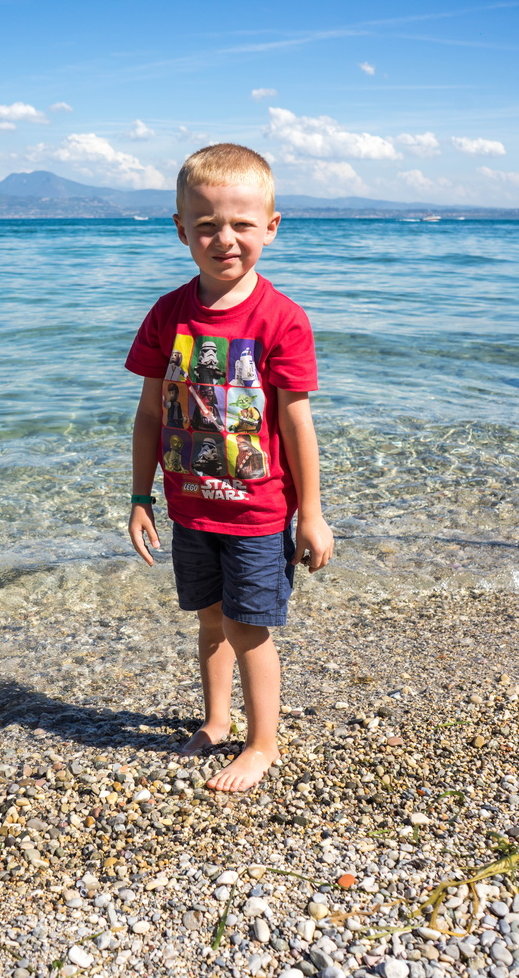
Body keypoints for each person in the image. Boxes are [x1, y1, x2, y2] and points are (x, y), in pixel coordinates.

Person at [125, 143, 333, 793]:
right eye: (207, 223)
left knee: (249, 626)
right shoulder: (168, 314)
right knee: (210, 616)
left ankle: (263, 742)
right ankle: (216, 720)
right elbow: (150, 416)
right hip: (191, 507)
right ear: (181, 228)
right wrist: (140, 496)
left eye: (242, 223)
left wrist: (312, 514)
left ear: (271, 226)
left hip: (258, 512)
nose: (225, 238)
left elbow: (298, 423)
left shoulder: (282, 319)